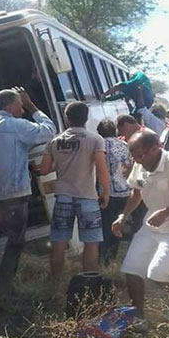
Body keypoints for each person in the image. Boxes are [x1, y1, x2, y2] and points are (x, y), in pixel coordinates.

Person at [0, 87, 56, 310]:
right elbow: (49, 130)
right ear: (9, 106)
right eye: (19, 105)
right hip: (14, 198)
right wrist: (33, 106)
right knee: (15, 244)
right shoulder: (19, 126)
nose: (21, 108)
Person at [111, 129, 169, 330]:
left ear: (155, 149)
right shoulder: (141, 164)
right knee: (132, 269)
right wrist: (123, 216)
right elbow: (136, 192)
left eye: (140, 155)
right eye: (133, 155)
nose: (135, 160)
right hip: (152, 224)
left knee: (158, 273)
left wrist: (166, 212)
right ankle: (139, 317)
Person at [40, 101, 110, 293]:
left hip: (63, 196)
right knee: (91, 243)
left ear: (66, 118)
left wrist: (61, 165)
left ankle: (55, 285)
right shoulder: (95, 139)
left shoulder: (55, 141)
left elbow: (44, 169)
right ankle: (90, 286)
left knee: (59, 243)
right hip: (87, 196)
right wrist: (106, 192)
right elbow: (102, 170)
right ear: (86, 117)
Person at [96, 119, 133, 267]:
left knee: (105, 227)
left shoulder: (100, 146)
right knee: (117, 226)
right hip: (124, 191)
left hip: (107, 193)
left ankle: (103, 260)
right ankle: (112, 257)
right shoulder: (124, 145)